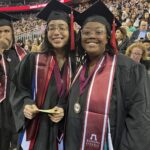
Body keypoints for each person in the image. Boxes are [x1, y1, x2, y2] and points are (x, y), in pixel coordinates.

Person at [64, 1, 150, 150]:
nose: (91, 36)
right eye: (86, 32)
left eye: (98, 32)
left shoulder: (129, 69)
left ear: (108, 36)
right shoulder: (79, 68)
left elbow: (139, 121)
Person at [9, 0, 78, 149]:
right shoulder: (33, 59)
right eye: (51, 28)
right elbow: (17, 87)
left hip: (66, 131)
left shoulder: (77, 63)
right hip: (36, 130)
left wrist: (64, 109)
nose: (56, 32)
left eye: (62, 27)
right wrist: (26, 104)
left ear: (70, 30)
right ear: (46, 33)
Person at [0, 13, 27, 150]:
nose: (3, 35)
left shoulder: (22, 54)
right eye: (0, 31)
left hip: (18, 111)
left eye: (6, 31)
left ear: (12, 32)